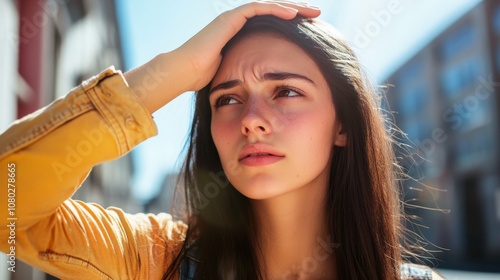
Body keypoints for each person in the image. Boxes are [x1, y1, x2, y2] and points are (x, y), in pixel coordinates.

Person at [0, 1, 443, 279]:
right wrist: (172, 72)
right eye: (227, 99)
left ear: (343, 124)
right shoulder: (151, 260)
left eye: (286, 91)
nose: (252, 121)